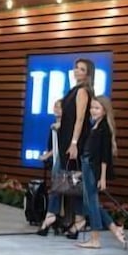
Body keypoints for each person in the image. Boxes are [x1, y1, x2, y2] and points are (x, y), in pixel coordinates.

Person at [75, 95, 126, 249]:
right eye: (92, 107)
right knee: (91, 203)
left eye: (97, 108)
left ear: (104, 110)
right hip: (86, 166)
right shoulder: (95, 125)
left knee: (92, 203)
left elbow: (105, 156)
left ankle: (95, 239)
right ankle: (114, 228)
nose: (93, 110)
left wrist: (102, 177)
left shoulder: (104, 128)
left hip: (93, 169)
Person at [58, 57, 94, 239]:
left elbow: (80, 119)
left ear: (88, 74)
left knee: (75, 181)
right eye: (76, 68)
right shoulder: (73, 90)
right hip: (66, 138)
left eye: (82, 69)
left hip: (75, 142)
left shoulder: (82, 92)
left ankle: (80, 220)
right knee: (69, 183)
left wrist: (74, 143)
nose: (77, 71)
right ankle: (73, 219)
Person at [36, 98, 63, 235]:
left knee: (58, 189)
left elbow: (60, 147)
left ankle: (52, 217)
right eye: (55, 106)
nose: (56, 109)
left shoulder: (64, 127)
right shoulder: (53, 126)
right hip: (55, 161)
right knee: (56, 189)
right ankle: (54, 217)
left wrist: (47, 155)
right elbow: (52, 146)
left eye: (59, 107)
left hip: (62, 162)